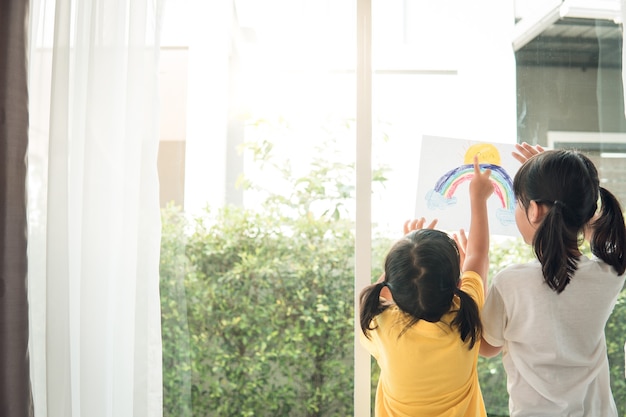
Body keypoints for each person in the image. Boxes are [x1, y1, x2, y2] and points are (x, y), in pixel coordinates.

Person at [480, 143, 626, 416]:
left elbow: (486, 346)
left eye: (518, 203)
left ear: (534, 210)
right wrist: (564, 190)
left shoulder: (510, 284)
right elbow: (603, 233)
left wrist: (472, 270)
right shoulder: (609, 275)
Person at [359, 156, 493, 417]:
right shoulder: (463, 315)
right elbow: (477, 255)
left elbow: (384, 287)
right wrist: (478, 198)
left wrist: (407, 248)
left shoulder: (382, 327)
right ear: (457, 283)